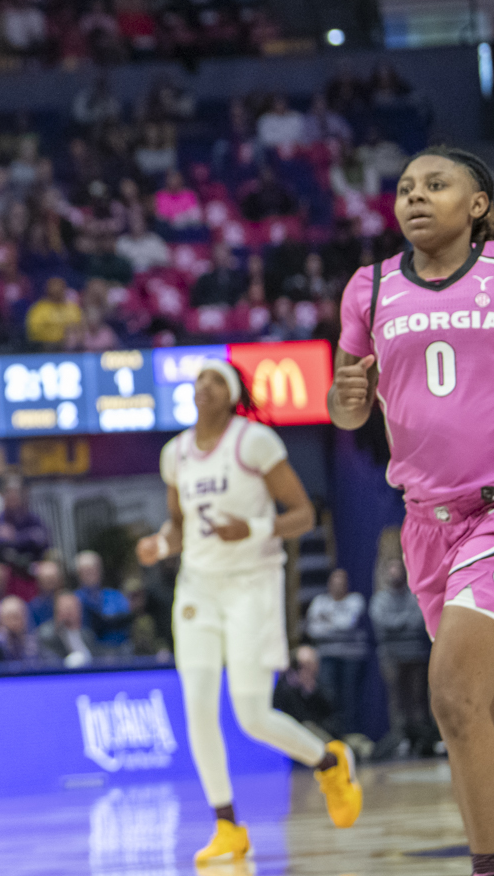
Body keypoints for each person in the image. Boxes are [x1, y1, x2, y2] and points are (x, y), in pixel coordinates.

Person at [332, 147, 494, 876]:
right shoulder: (366, 289)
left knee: (453, 695)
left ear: (480, 203)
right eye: (404, 188)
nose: (415, 197)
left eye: (436, 184)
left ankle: (489, 870)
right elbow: (346, 403)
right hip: (427, 526)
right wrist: (348, 402)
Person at [138, 359, 361, 865]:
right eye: (198, 379)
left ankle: (329, 760)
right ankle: (227, 825)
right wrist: (158, 543)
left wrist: (255, 529)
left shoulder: (254, 442)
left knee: (252, 716)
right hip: (198, 587)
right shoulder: (175, 453)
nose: (204, 386)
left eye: (216, 379)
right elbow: (178, 524)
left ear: (233, 392)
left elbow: (303, 515)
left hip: (252, 586)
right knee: (196, 709)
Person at [371, 557, 434, 758]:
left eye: (399, 569)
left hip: (415, 655)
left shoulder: (414, 597)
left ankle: (423, 742)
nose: (395, 573)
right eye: (392, 569)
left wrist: (395, 625)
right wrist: (401, 623)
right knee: (398, 703)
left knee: (418, 701)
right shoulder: (380, 600)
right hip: (392, 657)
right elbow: (381, 621)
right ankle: (402, 742)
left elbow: (418, 620)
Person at [304, 568, 369, 736]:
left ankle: (352, 738)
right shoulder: (319, 601)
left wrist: (326, 619)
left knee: (350, 699)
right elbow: (312, 630)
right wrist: (336, 621)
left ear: (347, 584)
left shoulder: (356, 600)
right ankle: (333, 736)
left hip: (351, 657)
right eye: (335, 582)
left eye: (341, 582)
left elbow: (347, 624)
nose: (338, 585)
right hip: (326, 656)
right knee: (328, 697)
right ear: (329, 584)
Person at [273, 645, 339, 738]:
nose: (308, 670)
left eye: (312, 665)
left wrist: (310, 691)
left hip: (321, 739)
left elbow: (333, 723)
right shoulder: (283, 691)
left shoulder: (323, 692)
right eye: (302, 666)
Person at [35, 592, 102, 667]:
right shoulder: (47, 635)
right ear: (57, 611)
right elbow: (52, 663)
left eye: (73, 608)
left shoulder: (87, 634)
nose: (69, 613)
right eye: (66, 609)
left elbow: (97, 659)